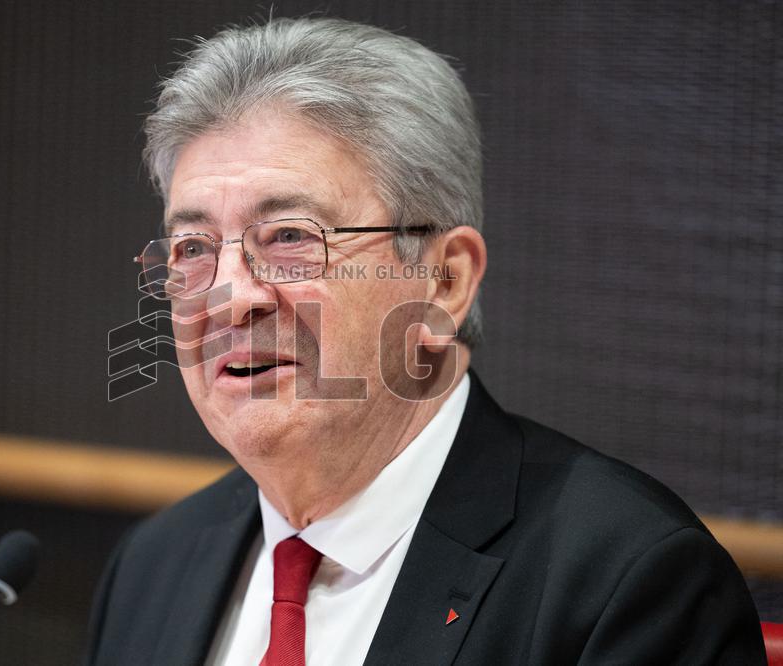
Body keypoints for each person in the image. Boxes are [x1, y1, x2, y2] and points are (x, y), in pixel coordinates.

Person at [86, 17, 766, 665]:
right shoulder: (153, 567)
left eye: (291, 237)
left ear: (445, 281)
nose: (231, 296)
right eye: (193, 248)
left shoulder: (626, 580)